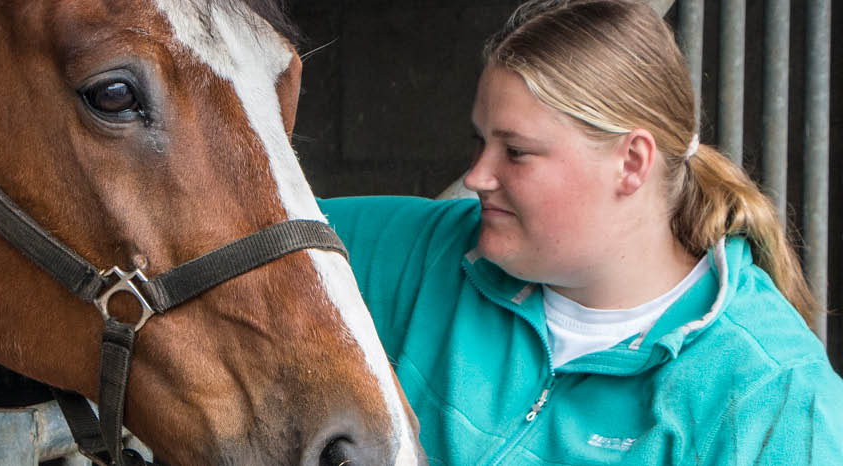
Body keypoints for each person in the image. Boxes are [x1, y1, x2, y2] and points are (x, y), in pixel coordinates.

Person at [318, 0, 843, 464]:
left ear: (631, 163)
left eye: (516, 152)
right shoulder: (427, 251)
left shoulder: (770, 396)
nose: (476, 176)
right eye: (479, 141)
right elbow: (247, 223)